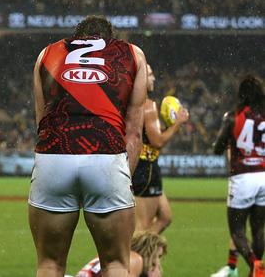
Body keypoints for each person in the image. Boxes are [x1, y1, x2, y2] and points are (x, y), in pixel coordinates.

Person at [29, 15, 148, 277]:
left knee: (49, 263)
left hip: (54, 153)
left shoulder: (47, 53)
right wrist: (123, 177)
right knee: (116, 263)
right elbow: (134, 132)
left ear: (77, 36)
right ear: (110, 38)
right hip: (105, 153)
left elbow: (42, 121)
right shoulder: (132, 54)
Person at [212, 75, 265, 277]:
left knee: (237, 230)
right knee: (259, 228)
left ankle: (255, 266)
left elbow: (217, 148)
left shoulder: (233, 117)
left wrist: (230, 143)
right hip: (264, 175)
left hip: (243, 177)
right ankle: (257, 268)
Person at [132, 64, 189, 234]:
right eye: (149, 75)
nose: (153, 78)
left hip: (140, 166)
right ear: (140, 80)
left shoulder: (131, 104)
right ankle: (137, 256)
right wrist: (178, 123)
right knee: (143, 227)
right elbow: (157, 142)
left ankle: (145, 251)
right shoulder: (148, 106)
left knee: (165, 217)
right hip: (145, 169)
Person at [75, 232, 167, 277]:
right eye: (158, 256)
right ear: (148, 252)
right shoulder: (134, 260)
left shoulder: (116, 256)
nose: (158, 263)